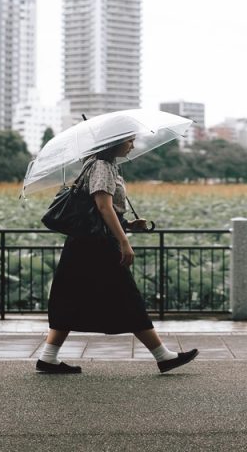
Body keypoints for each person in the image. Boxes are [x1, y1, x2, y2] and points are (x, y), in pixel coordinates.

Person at [36, 135, 199, 374]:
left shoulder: (102, 165)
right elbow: (103, 206)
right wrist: (124, 242)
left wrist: (130, 225)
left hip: (84, 244)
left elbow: (102, 212)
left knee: (70, 296)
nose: (133, 145)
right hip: (97, 246)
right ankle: (163, 356)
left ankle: (48, 358)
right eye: (129, 141)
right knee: (126, 296)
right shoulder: (101, 165)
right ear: (114, 143)